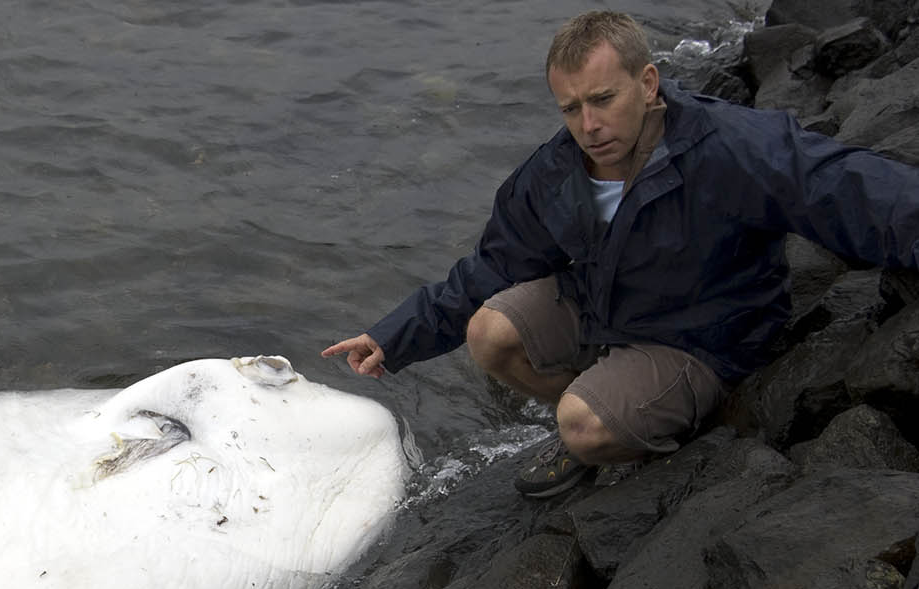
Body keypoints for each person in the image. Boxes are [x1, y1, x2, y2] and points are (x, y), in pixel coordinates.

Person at [323, 10, 919, 498]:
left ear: (649, 83)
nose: (589, 124)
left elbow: (840, 185)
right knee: (489, 333)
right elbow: (494, 266)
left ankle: (628, 425)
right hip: (613, 308)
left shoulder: (730, 147)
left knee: (582, 424)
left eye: (603, 99)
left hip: (702, 334)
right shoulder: (555, 171)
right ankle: (600, 408)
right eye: (570, 107)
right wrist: (395, 337)